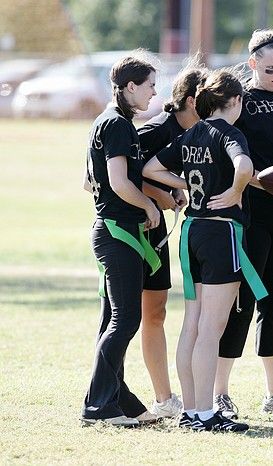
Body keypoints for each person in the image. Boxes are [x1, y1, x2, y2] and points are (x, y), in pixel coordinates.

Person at [143, 67, 256, 432]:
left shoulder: (192, 132)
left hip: (191, 232)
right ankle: (206, 413)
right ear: (235, 100)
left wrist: (190, 185)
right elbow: (244, 164)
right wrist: (237, 190)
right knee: (212, 326)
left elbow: (151, 167)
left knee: (192, 323)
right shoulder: (229, 132)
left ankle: (191, 410)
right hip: (221, 233)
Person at [215, 28, 273, 417]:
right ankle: (220, 391)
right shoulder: (242, 102)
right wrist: (268, 184)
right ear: (253, 63)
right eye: (270, 68)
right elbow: (233, 155)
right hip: (254, 212)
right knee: (242, 301)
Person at [81, 52, 161, 427]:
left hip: (109, 228)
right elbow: (117, 181)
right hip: (117, 232)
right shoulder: (116, 125)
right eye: (148, 85)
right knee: (126, 319)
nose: (153, 92)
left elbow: (88, 183)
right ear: (129, 87)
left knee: (113, 319)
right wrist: (147, 205)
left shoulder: (107, 120)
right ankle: (98, 406)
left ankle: (119, 400)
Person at [136, 61, 208, 418]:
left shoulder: (200, 134)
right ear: (193, 101)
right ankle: (156, 396)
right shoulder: (153, 132)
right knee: (134, 316)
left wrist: (173, 193)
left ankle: (166, 399)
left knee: (158, 310)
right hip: (133, 231)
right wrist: (157, 194)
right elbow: (123, 178)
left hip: (158, 229)